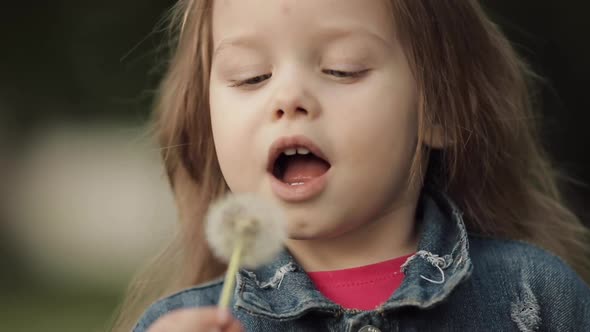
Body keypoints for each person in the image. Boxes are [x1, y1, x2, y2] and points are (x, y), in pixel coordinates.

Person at [111, 0, 590, 331]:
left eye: (344, 68)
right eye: (250, 76)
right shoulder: (181, 323)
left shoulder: (536, 295)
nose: (288, 98)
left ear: (438, 109)